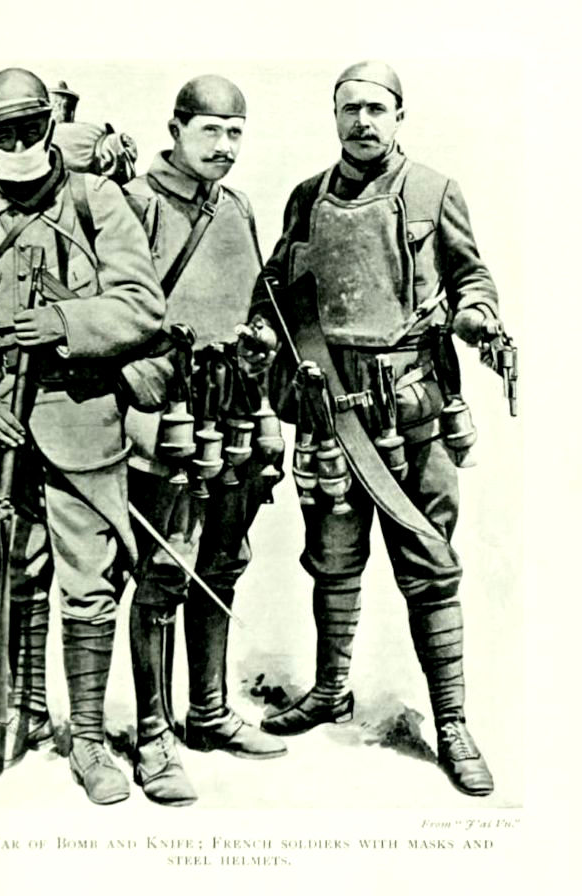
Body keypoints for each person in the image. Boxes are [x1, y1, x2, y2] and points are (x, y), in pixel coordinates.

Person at [250, 61, 504, 797]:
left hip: (413, 414)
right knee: (331, 560)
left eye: (375, 109)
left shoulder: (432, 191)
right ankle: (330, 691)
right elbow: (274, 292)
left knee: (428, 563)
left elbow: (472, 276)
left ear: (399, 116)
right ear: (334, 117)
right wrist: (260, 335)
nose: (361, 121)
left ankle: (450, 722)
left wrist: (475, 313)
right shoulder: (304, 199)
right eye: (348, 109)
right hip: (330, 412)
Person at [0, 67, 165, 805]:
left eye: (31, 128)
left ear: (50, 127)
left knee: (89, 584)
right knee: (14, 569)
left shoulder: (96, 200)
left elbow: (142, 307)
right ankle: (24, 711)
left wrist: (65, 324)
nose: (20, 143)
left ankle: (86, 738)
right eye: (4, 133)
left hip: (81, 415)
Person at [121, 74, 286, 807]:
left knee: (223, 561)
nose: (223, 146)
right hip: (169, 414)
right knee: (164, 568)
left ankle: (209, 713)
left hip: (233, 411)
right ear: (177, 128)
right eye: (210, 130)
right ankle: (152, 735)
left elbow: (258, 304)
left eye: (235, 132)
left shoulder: (238, 207)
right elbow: (110, 315)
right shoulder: (136, 202)